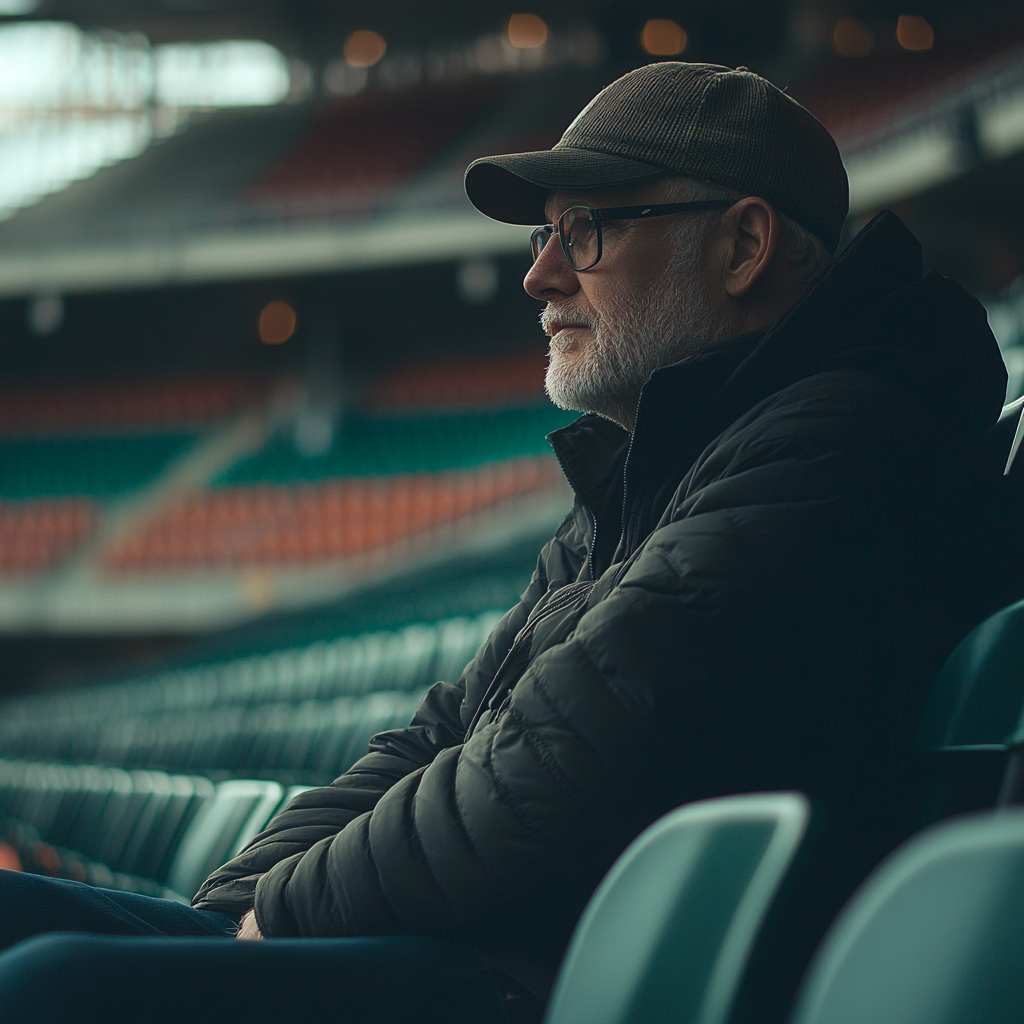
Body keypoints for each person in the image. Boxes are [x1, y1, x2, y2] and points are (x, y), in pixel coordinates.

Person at [0, 61, 1012, 1022]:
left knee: (56, 988)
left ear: (742, 247)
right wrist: (235, 907)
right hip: (477, 945)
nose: (540, 274)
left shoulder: (838, 443)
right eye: (543, 235)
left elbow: (548, 766)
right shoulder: (651, 469)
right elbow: (443, 729)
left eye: (589, 230)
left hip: (543, 978)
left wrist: (287, 915)